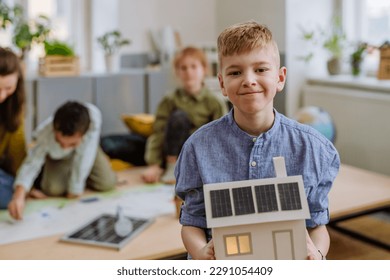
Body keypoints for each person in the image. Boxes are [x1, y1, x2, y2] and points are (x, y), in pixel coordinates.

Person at [175, 21, 340, 260]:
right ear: (222, 83)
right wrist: (201, 253)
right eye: (235, 72)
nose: (248, 80)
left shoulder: (313, 148)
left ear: (280, 78)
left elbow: (317, 225)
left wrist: (317, 255)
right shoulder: (197, 147)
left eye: (261, 69)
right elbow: (192, 222)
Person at [101, 46, 228, 184]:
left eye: (193, 67)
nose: (188, 72)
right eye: (183, 68)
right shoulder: (170, 99)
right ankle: (164, 164)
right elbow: (158, 132)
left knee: (179, 117)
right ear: (177, 72)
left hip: (194, 152)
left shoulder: (214, 102)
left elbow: (221, 137)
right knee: (108, 143)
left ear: (204, 69)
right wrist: (153, 164)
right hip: (165, 149)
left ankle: (175, 166)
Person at [8, 101, 116, 220]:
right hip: (58, 158)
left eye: (72, 143)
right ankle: (69, 172)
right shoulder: (44, 133)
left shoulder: (93, 119)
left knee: (107, 183)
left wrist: (75, 189)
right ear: (54, 130)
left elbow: (84, 158)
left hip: (89, 151)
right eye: (60, 142)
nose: (65, 146)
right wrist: (19, 196)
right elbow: (31, 163)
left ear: (83, 134)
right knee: (53, 189)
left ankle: (86, 173)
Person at [0, 47, 27, 209]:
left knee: (9, 193)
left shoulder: (14, 105)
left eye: (8, 88)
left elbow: (18, 151)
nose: (2, 96)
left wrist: (22, 188)